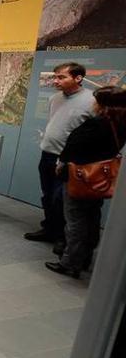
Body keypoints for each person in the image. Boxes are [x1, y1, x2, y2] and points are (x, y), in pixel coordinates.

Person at [45, 86, 126, 279]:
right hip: (100, 178)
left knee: (75, 220)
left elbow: (73, 146)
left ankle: (70, 262)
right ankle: (85, 257)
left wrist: (62, 163)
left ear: (103, 103)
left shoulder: (96, 124)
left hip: (80, 176)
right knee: (91, 217)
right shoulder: (120, 123)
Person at [25, 62, 95, 248]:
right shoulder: (55, 98)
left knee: (62, 200)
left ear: (78, 78)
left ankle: (63, 238)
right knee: (47, 195)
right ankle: (49, 229)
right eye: (55, 77)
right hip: (48, 154)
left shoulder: (91, 101)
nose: (56, 80)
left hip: (69, 160)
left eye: (61, 77)